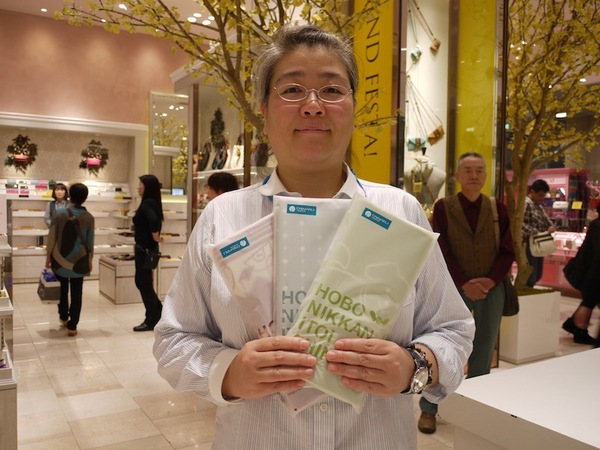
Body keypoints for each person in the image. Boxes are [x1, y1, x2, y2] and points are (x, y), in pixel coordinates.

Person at [153, 24, 475, 449]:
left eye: (332, 90)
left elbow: (453, 329)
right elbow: (174, 340)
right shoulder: (223, 217)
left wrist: (414, 366)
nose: (312, 106)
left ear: (353, 107)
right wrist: (229, 373)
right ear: (263, 112)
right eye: (291, 90)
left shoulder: (399, 211)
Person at [418, 152, 515, 434]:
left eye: (479, 170)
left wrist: (490, 281)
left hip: (491, 289)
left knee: (484, 349)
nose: (474, 175)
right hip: (452, 287)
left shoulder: (497, 208)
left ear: (485, 175)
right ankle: (429, 409)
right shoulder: (444, 207)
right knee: (440, 347)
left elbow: (508, 250)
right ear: (457, 176)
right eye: (468, 170)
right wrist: (463, 282)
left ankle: (477, 408)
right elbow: (439, 248)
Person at [45, 183, 94, 337]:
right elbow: (90, 242)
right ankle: (73, 325)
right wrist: (90, 260)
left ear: (70, 195)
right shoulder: (89, 217)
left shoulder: (58, 214)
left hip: (59, 259)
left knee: (62, 290)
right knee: (77, 293)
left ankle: (64, 317)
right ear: (85, 198)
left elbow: (52, 237)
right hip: (79, 261)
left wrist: (48, 257)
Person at [562, 207, 600, 346]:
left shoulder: (596, 224)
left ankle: (576, 325)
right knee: (590, 300)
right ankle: (578, 327)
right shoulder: (597, 225)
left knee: (590, 300)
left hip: (591, 271)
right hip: (592, 271)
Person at [132, 174, 164, 332]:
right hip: (146, 249)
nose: (138, 187)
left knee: (143, 282)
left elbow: (153, 221)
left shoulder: (147, 204)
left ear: (148, 187)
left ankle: (152, 318)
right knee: (143, 282)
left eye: (141, 184)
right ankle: (158, 312)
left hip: (144, 249)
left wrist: (155, 236)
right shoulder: (152, 202)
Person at [522, 179, 556, 287]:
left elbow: (547, 220)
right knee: (531, 272)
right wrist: (535, 232)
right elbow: (520, 224)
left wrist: (550, 226)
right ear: (532, 192)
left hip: (539, 242)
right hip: (529, 242)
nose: (542, 198)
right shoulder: (526, 204)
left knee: (537, 273)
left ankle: (530, 288)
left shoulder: (538, 205)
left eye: (543, 196)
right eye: (540, 195)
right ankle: (527, 289)